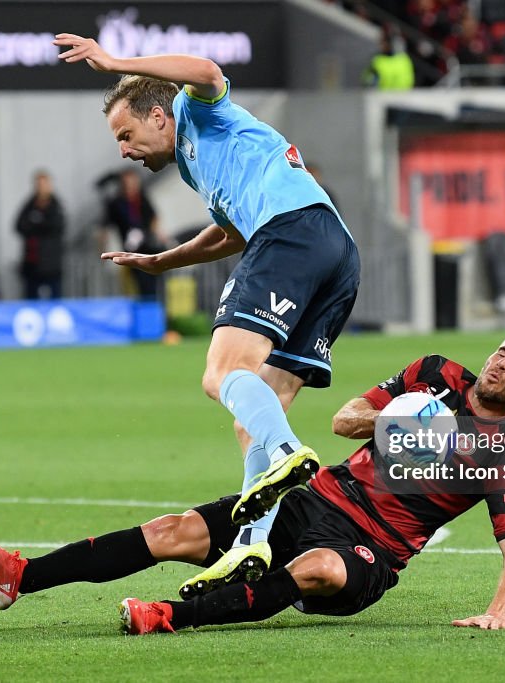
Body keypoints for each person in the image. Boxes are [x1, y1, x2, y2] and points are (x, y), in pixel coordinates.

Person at [0, 329, 505, 634]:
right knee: (173, 531)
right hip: (313, 499)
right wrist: (398, 421)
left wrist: (498, 612)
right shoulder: (435, 374)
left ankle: (170, 616)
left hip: (371, 550)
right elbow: (343, 418)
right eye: (504, 350)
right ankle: (19, 576)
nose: (503, 362)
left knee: (321, 566)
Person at [51, 34, 362, 596]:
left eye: (126, 135)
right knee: (257, 410)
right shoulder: (199, 168)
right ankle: (251, 544)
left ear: (158, 115)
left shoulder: (197, 111)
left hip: (290, 233)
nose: (123, 150)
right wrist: (161, 261)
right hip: (335, 253)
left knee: (221, 374)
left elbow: (208, 69)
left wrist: (115, 61)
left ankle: (290, 453)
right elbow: (229, 233)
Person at [102, 169, 168, 301]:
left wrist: (159, 235)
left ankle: (155, 310)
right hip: (132, 252)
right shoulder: (116, 203)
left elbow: (154, 218)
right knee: (140, 286)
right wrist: (103, 247)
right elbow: (106, 226)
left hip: (149, 248)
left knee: (156, 285)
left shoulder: (142, 198)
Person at [16, 170, 66, 300]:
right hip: (32, 264)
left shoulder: (56, 206)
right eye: (38, 185)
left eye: (44, 184)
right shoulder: (29, 205)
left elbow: (55, 226)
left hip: (51, 265)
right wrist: (38, 223)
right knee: (31, 300)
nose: (41, 188)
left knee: (55, 301)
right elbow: (19, 225)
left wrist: (35, 223)